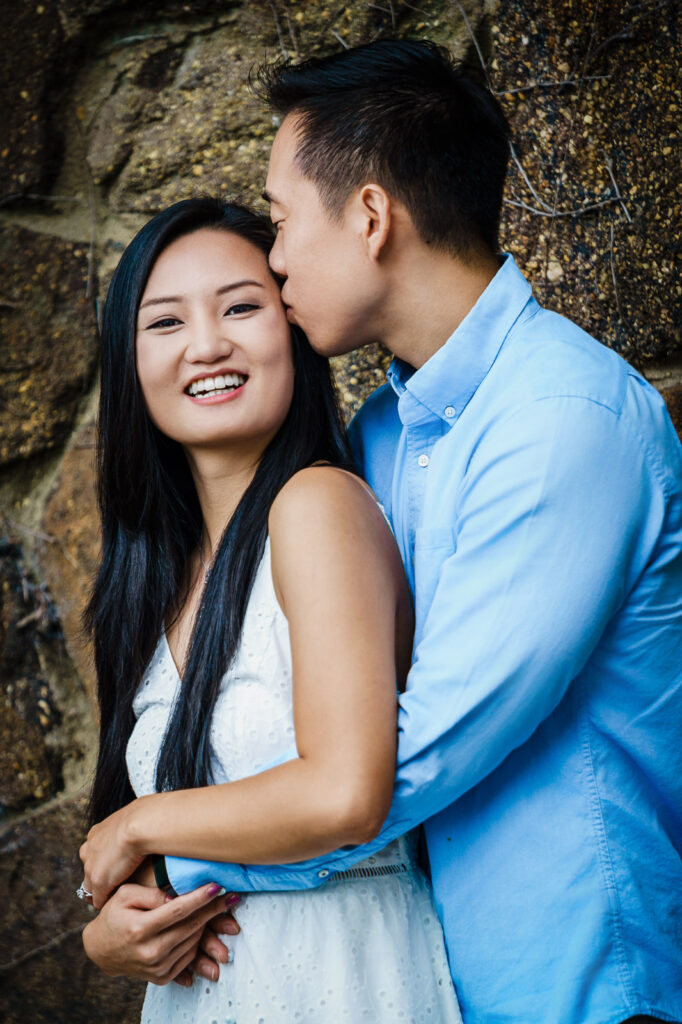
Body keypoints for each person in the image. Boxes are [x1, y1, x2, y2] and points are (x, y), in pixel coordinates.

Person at [101, 40, 681, 1024]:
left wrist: (165, 855)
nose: (275, 258)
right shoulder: (381, 436)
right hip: (437, 979)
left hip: (582, 983)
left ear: (370, 217)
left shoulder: (562, 422)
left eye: (283, 221)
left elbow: (394, 763)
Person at [79, 196, 462, 1023]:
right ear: (129, 362)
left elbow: (345, 794)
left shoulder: (317, 506)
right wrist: (107, 934)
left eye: (241, 308)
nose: (207, 345)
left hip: (344, 975)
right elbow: (129, 866)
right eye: (165, 322)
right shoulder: (151, 580)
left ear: (293, 330)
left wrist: (141, 824)